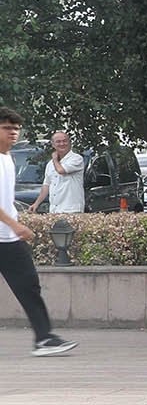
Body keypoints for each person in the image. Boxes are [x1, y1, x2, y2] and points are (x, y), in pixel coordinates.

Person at [0, 108, 75, 356]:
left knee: (29, 286)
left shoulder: (9, 159)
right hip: (10, 232)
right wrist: (15, 224)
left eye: (15, 128)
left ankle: (44, 338)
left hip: (9, 240)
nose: (13, 133)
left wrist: (14, 226)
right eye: (6, 128)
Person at [29, 130, 84, 214]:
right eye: (58, 141)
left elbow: (61, 170)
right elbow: (46, 186)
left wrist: (55, 159)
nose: (62, 144)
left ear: (69, 143)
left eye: (64, 141)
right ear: (53, 145)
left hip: (72, 209)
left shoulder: (76, 159)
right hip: (54, 210)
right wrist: (36, 204)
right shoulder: (50, 164)